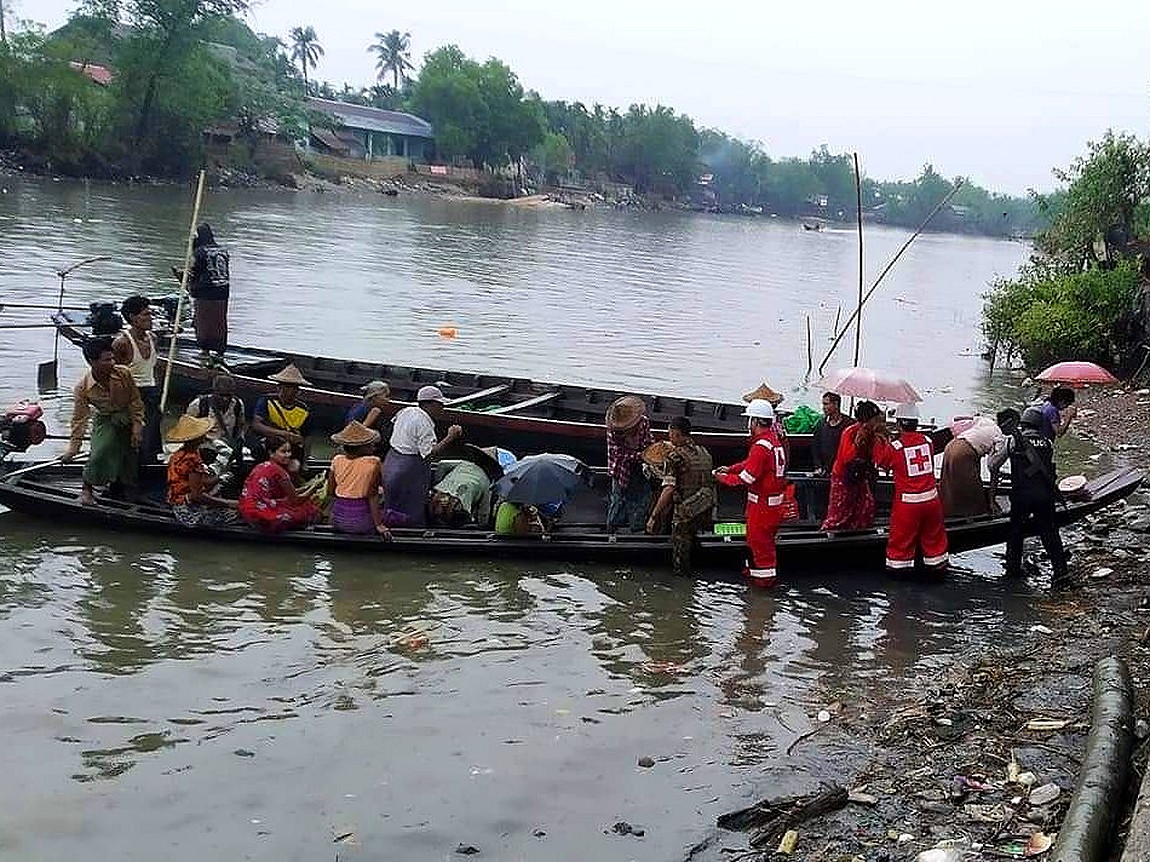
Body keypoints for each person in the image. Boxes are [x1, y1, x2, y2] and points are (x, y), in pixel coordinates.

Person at [60, 336, 146, 506]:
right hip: (106, 419)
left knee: (130, 456)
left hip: (127, 416)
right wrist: (73, 449)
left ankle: (125, 489)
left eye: (113, 358)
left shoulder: (123, 373)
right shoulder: (83, 388)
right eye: (107, 360)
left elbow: (135, 401)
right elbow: (79, 419)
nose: (112, 362)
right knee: (101, 451)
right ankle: (87, 488)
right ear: (92, 362)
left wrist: (137, 425)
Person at [988, 406, 1068, 583]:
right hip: (1044, 496)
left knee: (1015, 533)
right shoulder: (1047, 442)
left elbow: (993, 466)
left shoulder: (1013, 442)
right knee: (1050, 534)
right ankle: (1061, 571)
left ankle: (1013, 570)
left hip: (1021, 496)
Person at [714, 399, 788, 587]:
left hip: (762, 506)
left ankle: (763, 584)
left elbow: (746, 478)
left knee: (759, 545)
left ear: (755, 422)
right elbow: (750, 464)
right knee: (763, 544)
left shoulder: (761, 447)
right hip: (771, 505)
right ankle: (758, 574)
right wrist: (730, 469)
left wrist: (721, 477)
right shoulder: (773, 442)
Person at [872, 403, 949, 575]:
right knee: (934, 537)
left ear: (899, 423)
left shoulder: (896, 447)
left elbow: (881, 464)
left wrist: (881, 439)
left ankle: (899, 571)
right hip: (932, 500)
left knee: (901, 541)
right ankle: (937, 567)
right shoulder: (928, 442)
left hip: (908, 504)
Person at [383, 385, 462, 527]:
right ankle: (409, 527)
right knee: (411, 501)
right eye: (440, 405)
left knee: (393, 497)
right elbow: (430, 453)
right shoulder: (424, 424)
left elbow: (392, 424)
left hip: (392, 459)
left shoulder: (406, 410)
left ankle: (388, 520)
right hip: (409, 466)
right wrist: (450, 437)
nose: (442, 408)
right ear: (430, 404)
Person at [646, 416, 716, 577]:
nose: (669, 438)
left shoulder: (675, 457)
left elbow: (669, 489)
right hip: (705, 509)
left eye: (671, 434)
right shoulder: (704, 452)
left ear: (677, 434)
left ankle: (682, 584)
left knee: (681, 559)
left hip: (686, 514)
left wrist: (654, 516)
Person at [821, 400, 885, 532]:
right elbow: (846, 458)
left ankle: (857, 530)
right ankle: (829, 531)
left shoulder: (873, 434)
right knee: (840, 511)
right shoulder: (850, 432)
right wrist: (857, 443)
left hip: (860, 476)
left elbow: (879, 459)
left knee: (865, 507)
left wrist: (882, 440)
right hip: (843, 476)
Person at [112, 295, 161, 464]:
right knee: (132, 440)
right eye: (145, 315)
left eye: (150, 314)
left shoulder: (153, 338)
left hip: (151, 393)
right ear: (133, 317)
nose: (150, 318)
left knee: (150, 442)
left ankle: (148, 469)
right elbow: (115, 375)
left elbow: (154, 370)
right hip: (132, 394)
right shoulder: (122, 343)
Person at [165, 415, 239, 527]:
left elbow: (201, 482)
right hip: (187, 510)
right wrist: (228, 503)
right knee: (235, 514)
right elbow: (197, 496)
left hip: (176, 501)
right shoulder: (192, 459)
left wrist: (220, 477)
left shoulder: (177, 454)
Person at [238, 439, 321, 532]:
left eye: (289, 451)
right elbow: (296, 500)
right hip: (259, 514)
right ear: (271, 453)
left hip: (246, 508)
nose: (288, 455)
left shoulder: (261, 465)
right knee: (308, 508)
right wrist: (315, 487)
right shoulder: (279, 471)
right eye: (283, 452)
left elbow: (291, 492)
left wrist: (308, 487)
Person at [176, 223, 230, 362]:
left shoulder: (199, 252)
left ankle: (204, 350)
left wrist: (184, 279)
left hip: (205, 292)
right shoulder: (223, 250)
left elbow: (194, 272)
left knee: (203, 322)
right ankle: (219, 350)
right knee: (220, 322)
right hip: (222, 291)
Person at [326, 421, 389, 537]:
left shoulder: (337, 460)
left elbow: (330, 491)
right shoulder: (373, 462)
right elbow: (373, 495)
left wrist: (331, 517)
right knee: (397, 517)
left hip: (338, 519)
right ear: (361, 448)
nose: (373, 446)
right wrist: (379, 525)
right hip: (361, 523)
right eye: (370, 444)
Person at [605, 395, 654, 533]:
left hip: (640, 465)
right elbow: (618, 453)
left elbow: (648, 442)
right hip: (620, 467)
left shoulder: (643, 422)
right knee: (618, 499)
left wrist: (649, 453)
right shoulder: (613, 429)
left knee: (642, 497)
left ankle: (637, 527)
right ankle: (612, 529)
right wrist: (641, 456)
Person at [250, 364, 312, 471]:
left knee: (295, 466)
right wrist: (282, 434)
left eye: (294, 387)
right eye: (287, 386)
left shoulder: (303, 410)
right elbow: (257, 425)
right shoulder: (267, 401)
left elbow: (307, 436)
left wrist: (305, 461)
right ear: (279, 387)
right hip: (269, 445)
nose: (290, 390)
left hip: (291, 448)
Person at [939, 416, 1003, 517]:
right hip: (963, 453)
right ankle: (973, 516)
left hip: (951, 446)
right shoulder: (1000, 439)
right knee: (972, 490)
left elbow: (967, 418)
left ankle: (949, 513)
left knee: (949, 485)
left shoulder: (987, 421)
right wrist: (991, 500)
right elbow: (993, 468)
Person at [186, 373, 246, 480]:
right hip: (205, 446)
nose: (225, 399)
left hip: (228, 444)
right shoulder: (199, 405)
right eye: (221, 395)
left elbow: (241, 425)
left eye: (228, 395)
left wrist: (240, 439)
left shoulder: (237, 404)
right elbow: (186, 430)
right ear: (214, 392)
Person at [807, 391, 848, 520]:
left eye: (826, 404)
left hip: (841, 474)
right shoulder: (821, 424)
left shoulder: (848, 425)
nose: (823, 407)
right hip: (824, 473)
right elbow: (815, 447)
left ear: (836, 405)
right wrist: (818, 466)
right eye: (823, 404)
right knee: (821, 505)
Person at [429, 460, 493, 527]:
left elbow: (441, 464)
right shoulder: (486, 481)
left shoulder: (466, 463)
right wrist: (482, 525)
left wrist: (437, 482)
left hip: (441, 492)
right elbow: (484, 511)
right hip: (460, 506)